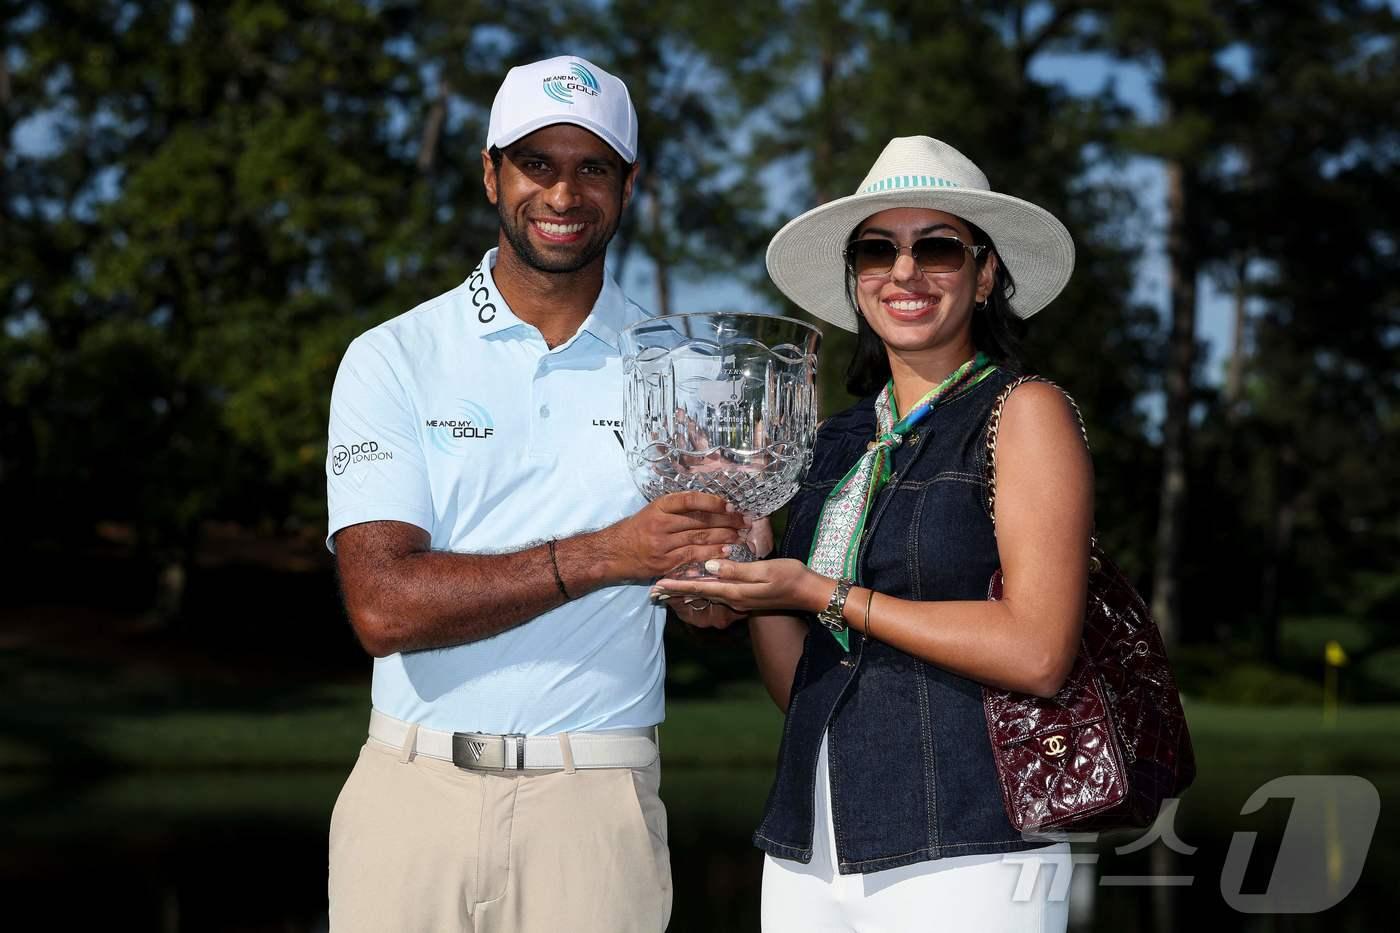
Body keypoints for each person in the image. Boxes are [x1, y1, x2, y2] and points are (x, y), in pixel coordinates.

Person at [323, 55, 747, 933]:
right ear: (491, 175)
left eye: (592, 167)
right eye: (536, 164)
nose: (563, 193)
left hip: (596, 805)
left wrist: (716, 582)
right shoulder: (392, 356)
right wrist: (611, 553)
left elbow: (709, 587)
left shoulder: (685, 371)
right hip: (408, 796)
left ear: (628, 186)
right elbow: (383, 605)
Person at [653, 136, 1094, 931]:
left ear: (985, 274)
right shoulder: (834, 441)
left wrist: (822, 591)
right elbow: (801, 688)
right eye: (877, 250)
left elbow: (1038, 650)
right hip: (808, 850)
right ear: (856, 280)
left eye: (938, 248)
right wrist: (757, 561)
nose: (904, 271)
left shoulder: (1024, 412)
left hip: (972, 847)